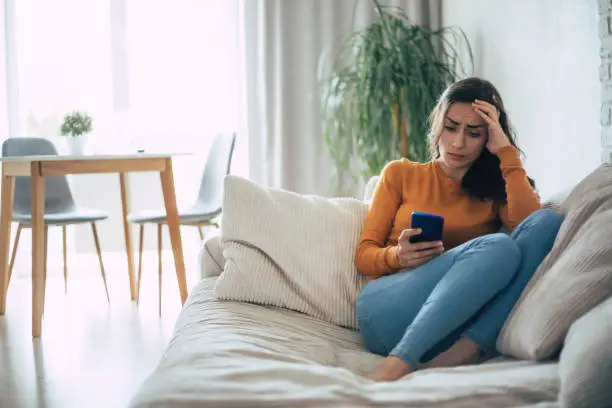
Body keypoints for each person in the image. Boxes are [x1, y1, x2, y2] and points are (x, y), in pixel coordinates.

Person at [354, 77, 563, 382]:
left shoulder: (495, 191)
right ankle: (399, 362)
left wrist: (505, 151)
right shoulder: (400, 174)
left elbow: (532, 226)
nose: (458, 143)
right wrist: (398, 256)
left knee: (548, 222)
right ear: (438, 124)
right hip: (387, 310)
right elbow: (363, 255)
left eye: (474, 133)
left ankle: (467, 351)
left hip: (450, 329)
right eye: (450, 127)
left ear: (489, 136)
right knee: (498, 246)